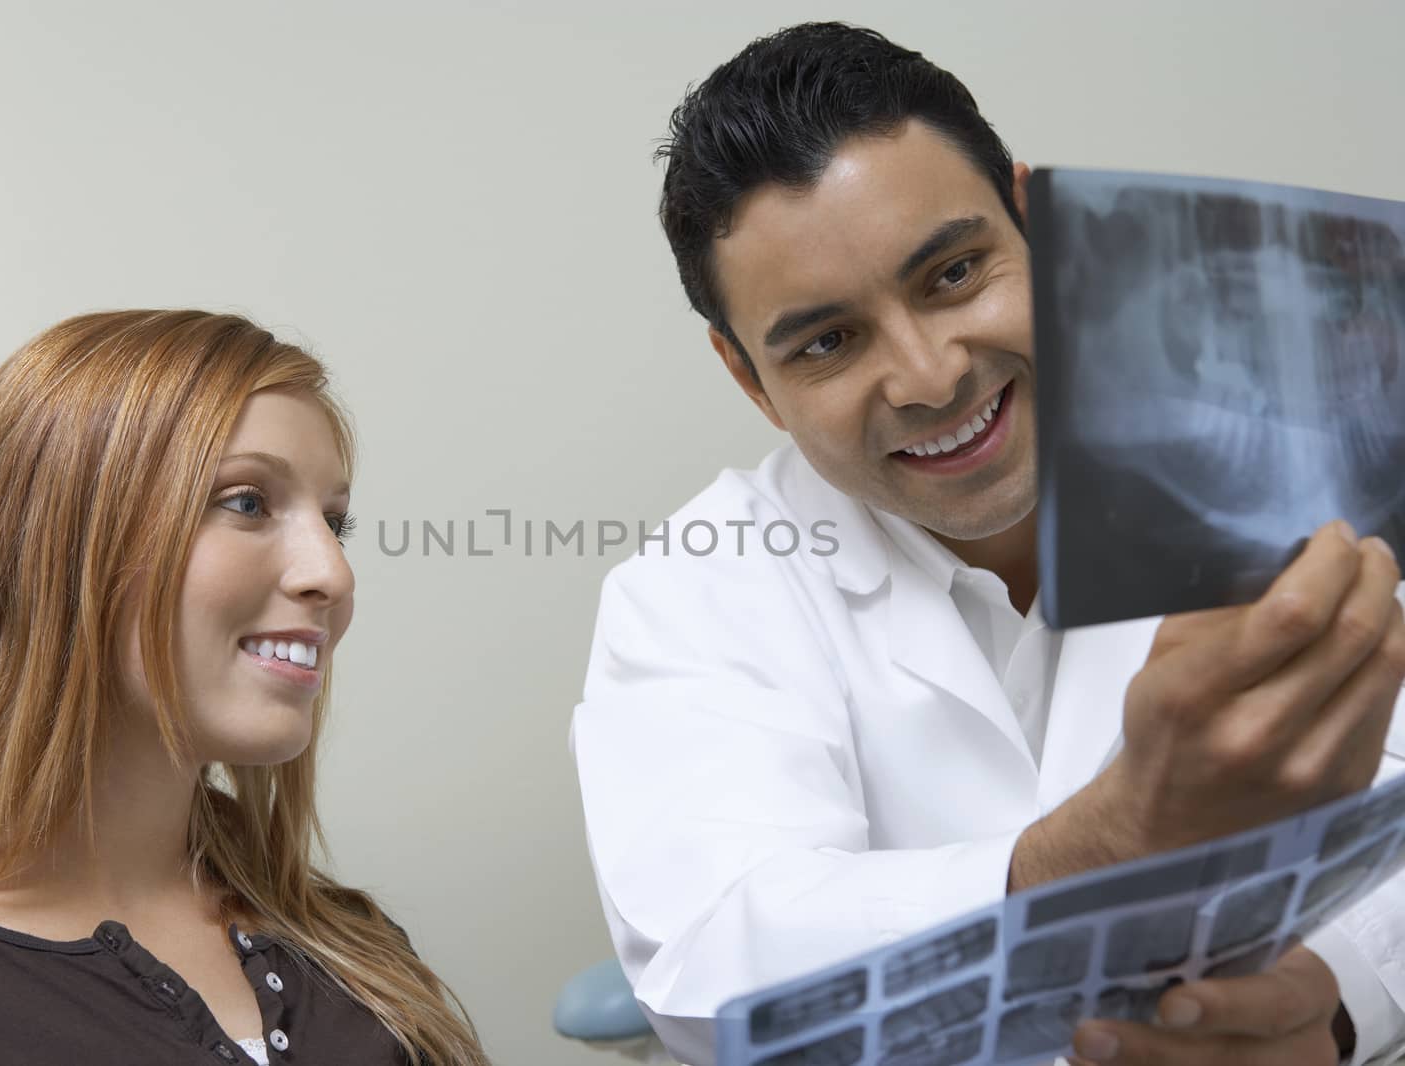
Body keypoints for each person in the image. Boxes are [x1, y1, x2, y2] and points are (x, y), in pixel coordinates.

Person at [571, 22, 1405, 1066]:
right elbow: (712, 959)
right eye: (827, 342)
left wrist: (1321, 1003)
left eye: (953, 274)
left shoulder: (1274, 454)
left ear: (1032, 218)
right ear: (749, 379)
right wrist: (1088, 851)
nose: (926, 376)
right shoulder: (692, 588)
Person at [0, 310, 488, 1066]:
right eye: (247, 503)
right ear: (56, 547)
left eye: (336, 523)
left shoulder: (355, 950)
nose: (333, 573)